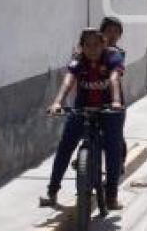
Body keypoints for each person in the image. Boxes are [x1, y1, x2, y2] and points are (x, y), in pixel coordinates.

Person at [40, 28, 125, 210]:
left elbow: (114, 78)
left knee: (113, 148)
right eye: (87, 45)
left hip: (109, 109)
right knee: (66, 145)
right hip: (82, 108)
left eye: (96, 44)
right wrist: (57, 103)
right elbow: (68, 80)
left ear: (103, 44)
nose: (92, 49)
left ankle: (111, 196)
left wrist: (116, 101)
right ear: (82, 46)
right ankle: (52, 192)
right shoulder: (78, 59)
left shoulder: (112, 57)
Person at [100, 16, 128, 176]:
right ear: (102, 33)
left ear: (120, 36)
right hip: (94, 96)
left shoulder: (119, 53)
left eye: (116, 32)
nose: (112, 35)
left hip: (114, 98)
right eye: (108, 31)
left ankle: (120, 160)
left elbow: (115, 74)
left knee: (116, 134)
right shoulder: (93, 51)